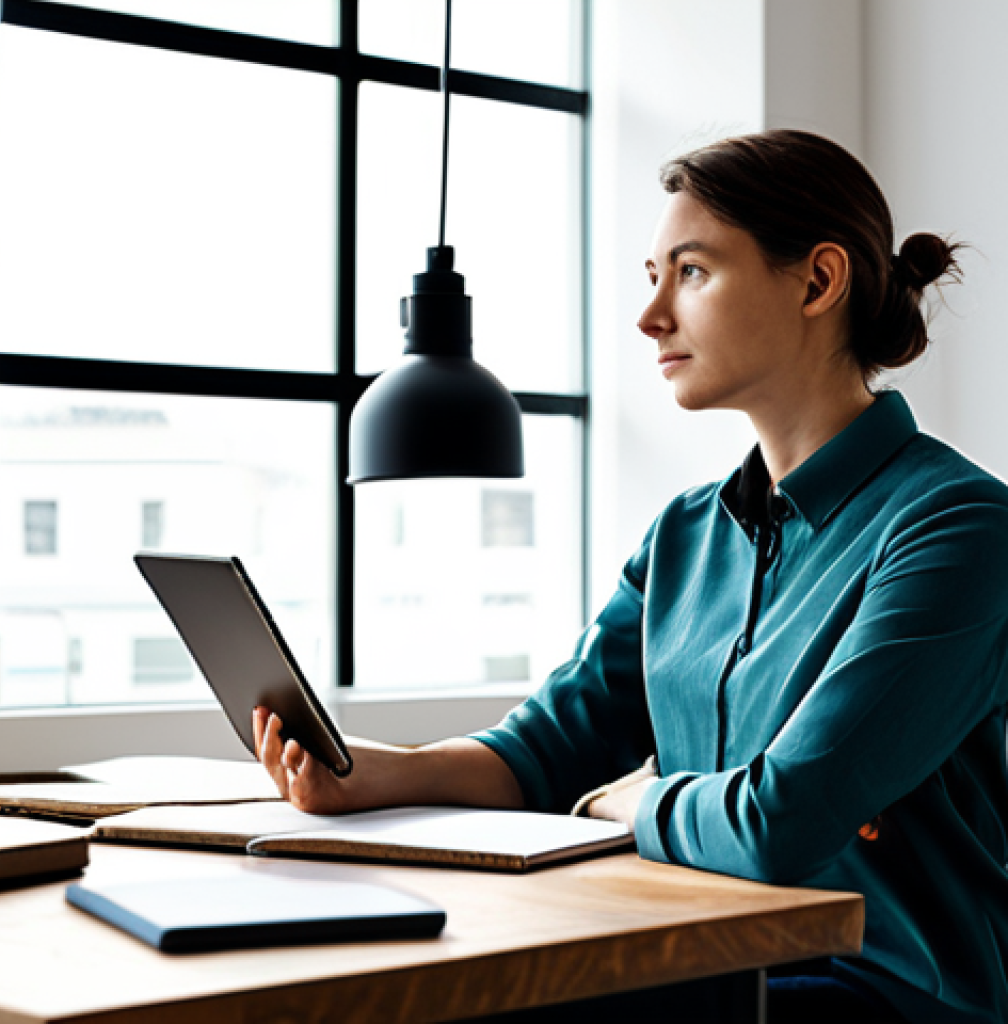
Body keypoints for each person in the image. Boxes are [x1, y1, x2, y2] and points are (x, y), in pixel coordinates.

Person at [254, 130, 1008, 1024]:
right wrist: (378, 775)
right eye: (651, 276)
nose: (651, 315)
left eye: (689, 273)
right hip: (699, 950)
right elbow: (545, 751)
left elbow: (787, 819)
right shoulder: (686, 534)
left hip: (881, 989)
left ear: (817, 281)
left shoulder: (958, 528)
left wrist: (638, 802)